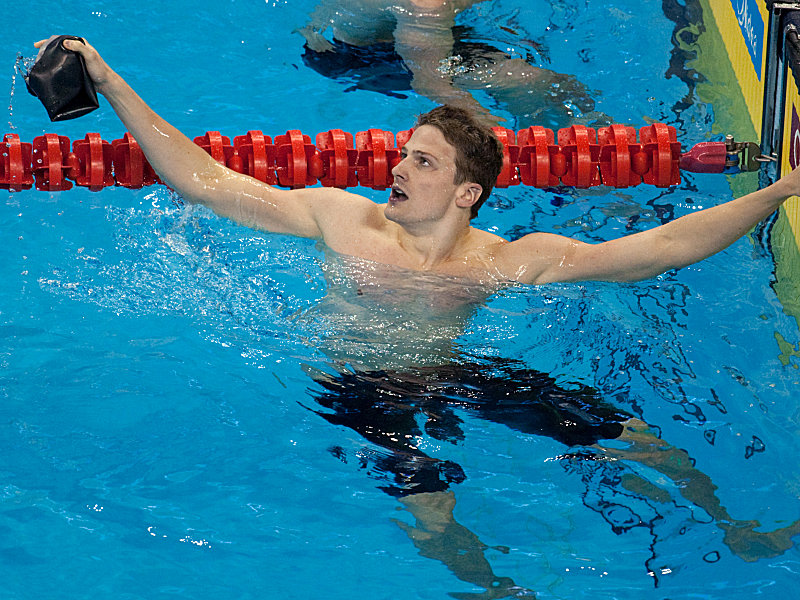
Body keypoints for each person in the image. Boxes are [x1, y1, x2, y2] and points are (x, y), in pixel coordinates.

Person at [36, 35, 800, 597]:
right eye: (404, 153)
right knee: (434, 507)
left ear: (468, 193)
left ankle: (731, 525)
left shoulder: (504, 261)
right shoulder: (341, 219)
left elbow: (660, 248)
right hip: (361, 384)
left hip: (454, 373)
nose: (396, 167)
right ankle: (494, 590)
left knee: (633, 436)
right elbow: (205, 179)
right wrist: (107, 76)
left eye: (422, 161)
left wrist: (778, 192)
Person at [296, 0, 603, 129]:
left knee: (564, 86)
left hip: (375, 36)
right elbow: (430, 81)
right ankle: (552, 167)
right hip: (360, 61)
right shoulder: (427, 5)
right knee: (529, 80)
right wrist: (491, 128)